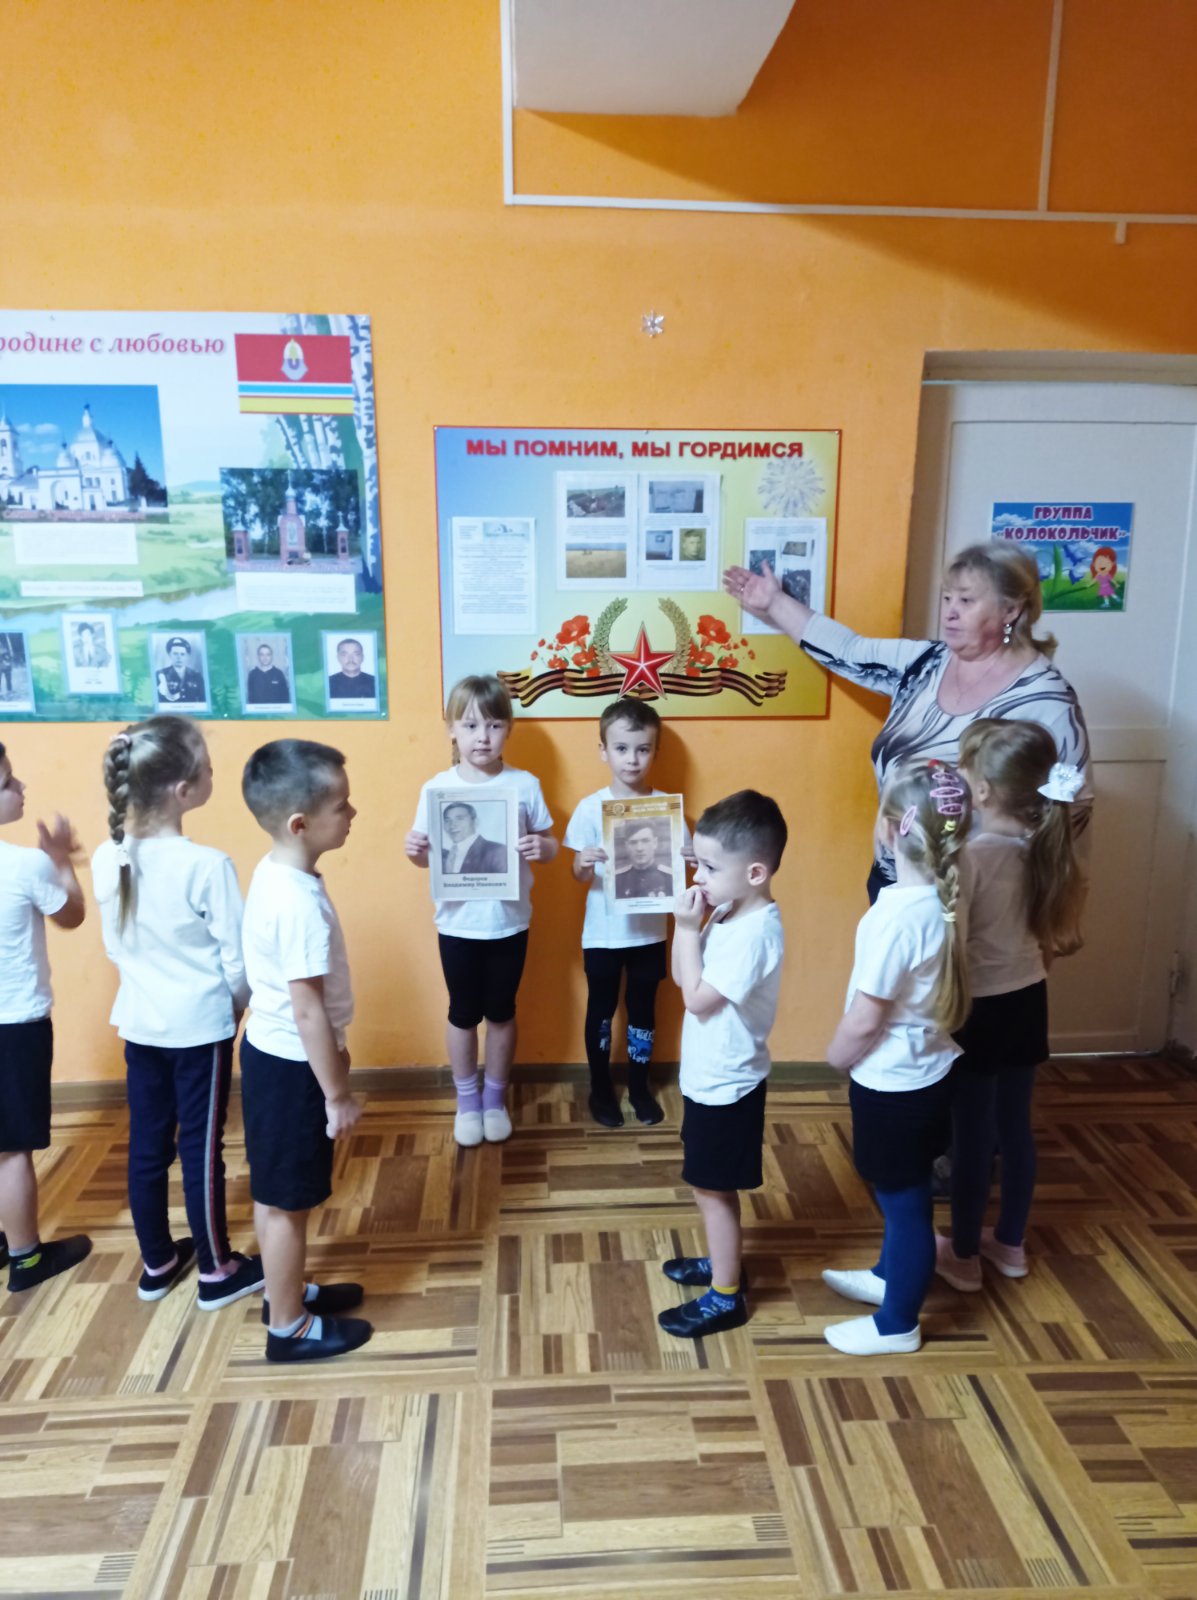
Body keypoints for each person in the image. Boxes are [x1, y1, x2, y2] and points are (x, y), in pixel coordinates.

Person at [724, 542, 1093, 904]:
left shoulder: (1046, 699)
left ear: (1010, 609)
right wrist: (773, 601)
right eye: (947, 598)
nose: (950, 613)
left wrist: (1020, 886)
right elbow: (849, 651)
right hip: (895, 879)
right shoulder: (926, 663)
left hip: (978, 894)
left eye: (966, 601)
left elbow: (1072, 807)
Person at [94, 716, 263, 1307]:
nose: (214, 773)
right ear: (183, 791)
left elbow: (115, 949)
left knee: (147, 1146)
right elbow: (239, 962)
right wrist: (233, 1010)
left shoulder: (107, 856)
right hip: (199, 1032)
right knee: (200, 1149)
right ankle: (217, 1270)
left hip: (140, 1026)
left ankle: (158, 1261)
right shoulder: (206, 865)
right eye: (207, 768)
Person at [821, 759, 971, 1355]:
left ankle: (898, 1323)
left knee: (904, 1203)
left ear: (889, 829)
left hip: (893, 1085)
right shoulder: (944, 899)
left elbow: (866, 1016)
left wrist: (837, 1055)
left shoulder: (893, 917)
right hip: (931, 1072)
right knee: (902, 1191)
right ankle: (889, 1276)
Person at [935, 720, 1084, 1292]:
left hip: (981, 1011)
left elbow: (955, 941)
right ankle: (1011, 1244)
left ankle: (964, 1256)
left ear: (982, 791)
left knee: (972, 1140)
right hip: (1028, 1003)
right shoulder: (1044, 848)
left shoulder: (971, 857)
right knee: (1015, 1130)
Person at [240, 739, 371, 1362]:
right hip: (294, 1067)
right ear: (300, 824)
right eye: (341, 806)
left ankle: (284, 1293)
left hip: (271, 1056)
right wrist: (337, 1093)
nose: (352, 813)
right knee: (289, 1203)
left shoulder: (276, 872)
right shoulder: (297, 904)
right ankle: (288, 1329)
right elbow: (308, 1010)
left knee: (274, 1193)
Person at [406, 675, 557, 1147]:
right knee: (462, 1013)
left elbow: (550, 845)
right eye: (470, 725)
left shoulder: (524, 785)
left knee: (502, 1012)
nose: (482, 737)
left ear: (508, 729)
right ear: (451, 729)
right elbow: (425, 858)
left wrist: (543, 848)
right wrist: (415, 851)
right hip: (457, 924)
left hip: (509, 922)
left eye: (493, 725)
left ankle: (495, 1098)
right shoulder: (437, 788)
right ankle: (467, 1100)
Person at [659, 790, 786, 1339]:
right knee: (706, 1185)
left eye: (710, 867)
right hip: (709, 1076)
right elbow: (681, 976)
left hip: (729, 1084)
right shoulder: (731, 911)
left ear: (755, 872)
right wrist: (689, 928)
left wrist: (688, 929)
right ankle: (723, 1259)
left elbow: (696, 999)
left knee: (713, 1190)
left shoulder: (756, 933)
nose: (699, 875)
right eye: (699, 863)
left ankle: (726, 1295)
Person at [564, 699, 691, 1128]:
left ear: (655, 752)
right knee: (600, 1011)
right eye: (621, 748)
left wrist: (691, 858)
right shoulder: (590, 807)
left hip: (649, 935)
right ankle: (600, 1089)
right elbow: (578, 875)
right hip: (602, 933)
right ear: (603, 750)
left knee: (642, 1012)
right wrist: (583, 862)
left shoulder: (667, 809)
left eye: (642, 749)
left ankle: (639, 1087)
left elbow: (683, 871)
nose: (632, 759)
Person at [0, 740, 91, 1292]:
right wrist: (62, 863)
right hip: (15, 1026)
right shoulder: (24, 865)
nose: (20, 788)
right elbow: (72, 915)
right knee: (12, 1148)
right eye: (8, 783)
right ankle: (27, 1256)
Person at [440, 800, 507, 874]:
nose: (452, 825)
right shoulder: (441, 855)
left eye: (459, 819)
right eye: (447, 820)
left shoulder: (497, 851)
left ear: (475, 822)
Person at [613, 821, 674, 900]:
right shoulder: (617, 880)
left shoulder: (670, 878)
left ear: (655, 843)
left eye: (645, 841)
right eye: (633, 842)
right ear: (626, 846)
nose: (639, 848)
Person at [155, 637, 206, 705]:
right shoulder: (160, 674)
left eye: (182, 654)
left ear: (187, 656)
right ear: (169, 655)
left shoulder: (196, 676)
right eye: (175, 654)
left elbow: (203, 700)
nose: (179, 657)